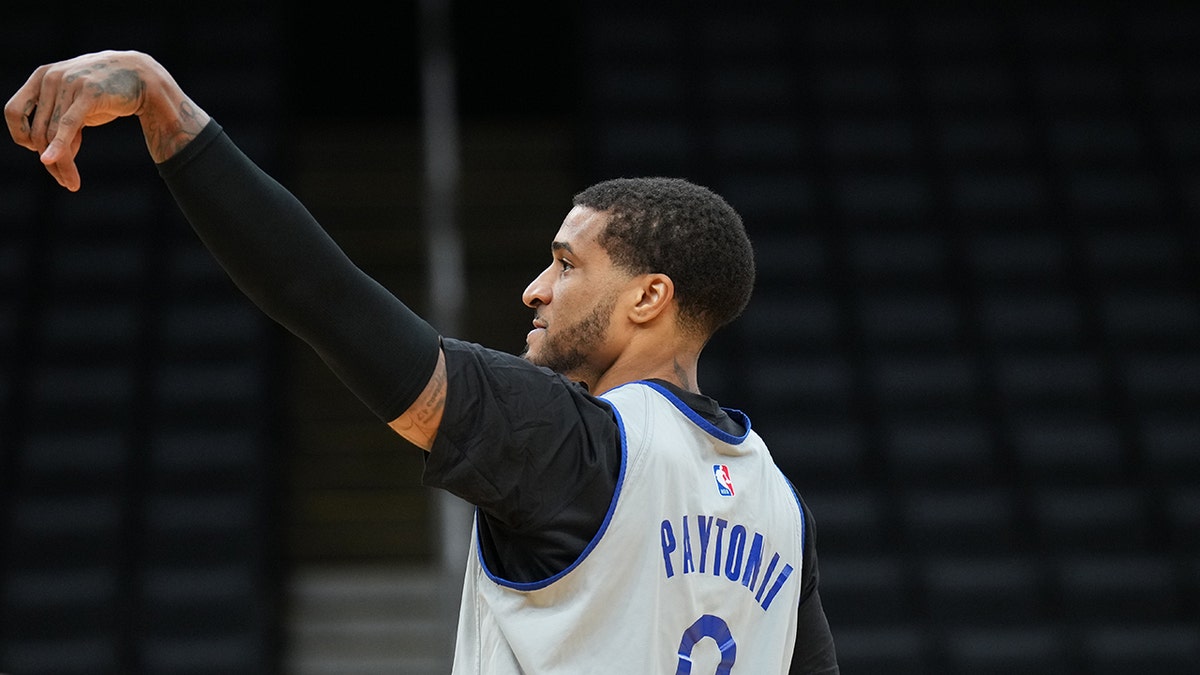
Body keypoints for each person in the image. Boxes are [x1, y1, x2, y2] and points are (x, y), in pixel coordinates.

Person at [6, 50, 839, 673]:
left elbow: (324, 296)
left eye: (566, 262)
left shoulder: (575, 446)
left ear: (649, 297)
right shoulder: (779, 504)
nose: (534, 289)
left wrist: (163, 104)